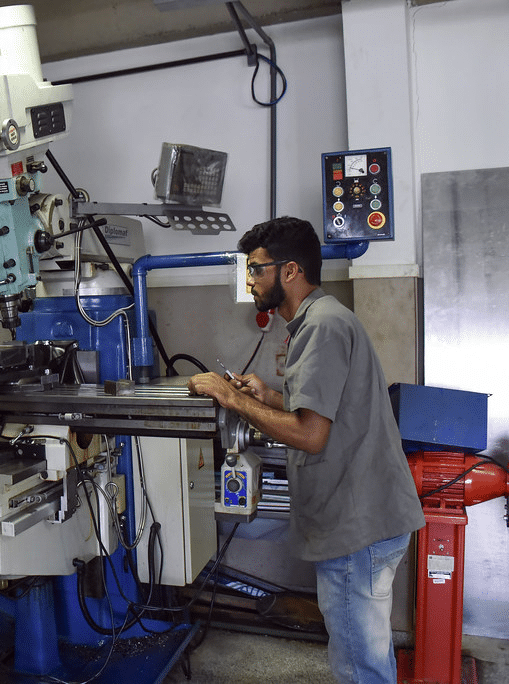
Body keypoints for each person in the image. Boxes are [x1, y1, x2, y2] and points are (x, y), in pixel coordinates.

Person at [188, 216, 425, 684]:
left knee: (359, 664)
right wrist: (266, 396)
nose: (251, 281)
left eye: (256, 269)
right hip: (360, 519)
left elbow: (311, 434)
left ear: (290, 271)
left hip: (358, 527)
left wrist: (229, 396)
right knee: (363, 654)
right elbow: (327, 411)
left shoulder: (323, 327)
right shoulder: (320, 321)